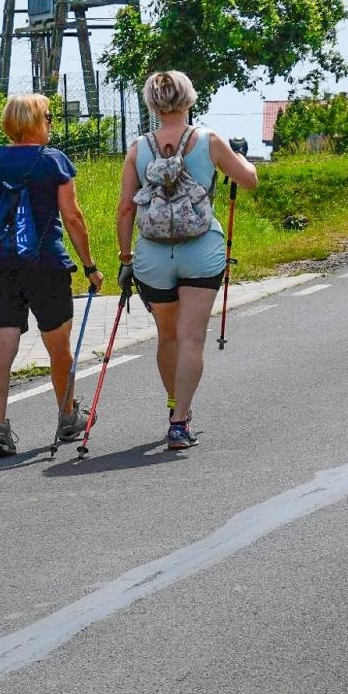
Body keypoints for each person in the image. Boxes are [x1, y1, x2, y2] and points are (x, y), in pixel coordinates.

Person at [116, 70, 258, 450]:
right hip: (201, 251)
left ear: (151, 103)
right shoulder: (208, 140)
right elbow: (248, 180)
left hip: (153, 256)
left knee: (167, 336)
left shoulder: (137, 149)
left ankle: (174, 405)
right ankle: (180, 424)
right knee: (192, 337)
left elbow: (126, 209)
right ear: (190, 98)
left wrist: (126, 255)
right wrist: (243, 159)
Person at [0, 94, 104, 457]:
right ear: (34, 121)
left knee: (2, 348)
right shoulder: (54, 162)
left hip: (0, 268)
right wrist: (90, 266)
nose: (50, 122)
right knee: (58, 347)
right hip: (45, 264)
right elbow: (73, 217)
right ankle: (67, 415)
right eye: (47, 116)